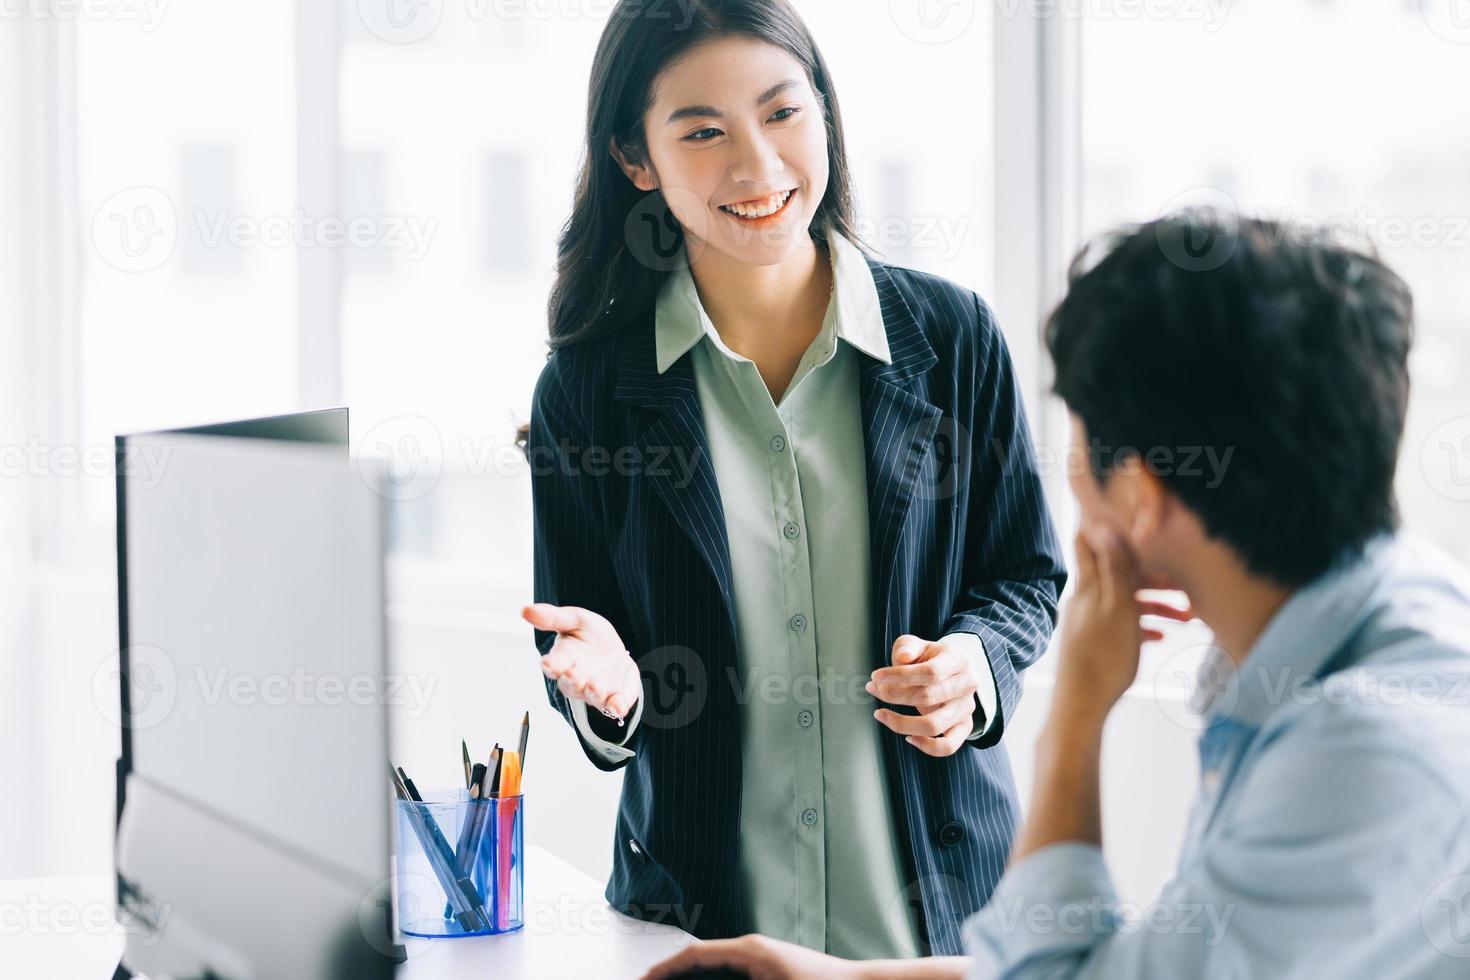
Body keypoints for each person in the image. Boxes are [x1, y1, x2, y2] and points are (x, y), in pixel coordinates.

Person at [641, 214, 1470, 978]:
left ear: (1141, 495)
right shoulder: (1373, 620)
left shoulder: (1361, 756)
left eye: (1073, 435)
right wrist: (844, 978)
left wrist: (1075, 714)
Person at [517, 0, 1066, 959]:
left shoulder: (951, 337)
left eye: (782, 113)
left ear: (824, 115)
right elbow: (580, 642)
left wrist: (974, 668)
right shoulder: (591, 388)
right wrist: (608, 697)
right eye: (702, 132)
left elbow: (1026, 575)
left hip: (937, 936)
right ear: (636, 160)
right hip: (702, 940)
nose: (758, 167)